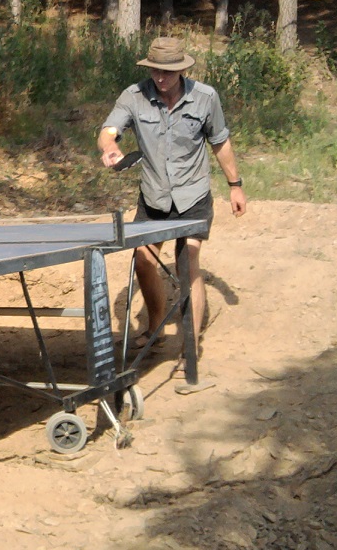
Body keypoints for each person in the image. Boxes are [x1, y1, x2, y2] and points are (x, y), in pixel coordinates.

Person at [96, 36, 246, 389]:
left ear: (182, 70)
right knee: (144, 260)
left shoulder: (206, 97)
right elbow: (107, 130)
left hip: (193, 196)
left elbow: (220, 141)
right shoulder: (133, 95)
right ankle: (156, 324)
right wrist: (110, 148)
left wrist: (235, 185)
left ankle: (188, 353)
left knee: (187, 265)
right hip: (153, 197)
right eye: (156, 71)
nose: (161, 78)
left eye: (168, 72)